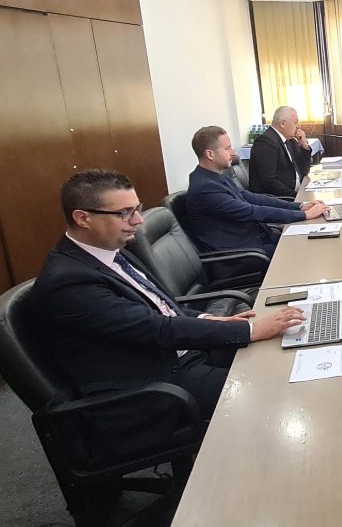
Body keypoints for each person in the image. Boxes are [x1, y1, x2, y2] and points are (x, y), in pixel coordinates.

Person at [31, 169, 304, 457]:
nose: (138, 220)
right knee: (272, 387)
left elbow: (160, 307)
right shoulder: (69, 282)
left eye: (136, 209)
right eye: (125, 213)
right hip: (151, 389)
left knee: (283, 355)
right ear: (83, 218)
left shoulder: (108, 251)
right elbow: (157, 328)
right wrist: (250, 330)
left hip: (175, 356)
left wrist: (210, 319)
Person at [185, 126, 326, 258]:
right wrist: (304, 215)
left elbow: (253, 198)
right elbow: (251, 211)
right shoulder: (205, 188)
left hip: (255, 239)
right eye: (227, 148)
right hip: (242, 253)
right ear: (210, 154)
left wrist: (300, 206)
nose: (233, 152)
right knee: (306, 249)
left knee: (314, 238)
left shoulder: (215, 177)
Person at [248, 106, 312, 197]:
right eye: (295, 122)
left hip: (296, 192)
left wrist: (304, 145)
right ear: (282, 123)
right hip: (278, 198)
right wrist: (296, 196)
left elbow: (304, 171)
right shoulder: (265, 142)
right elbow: (269, 182)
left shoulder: (290, 141)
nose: (299, 126)